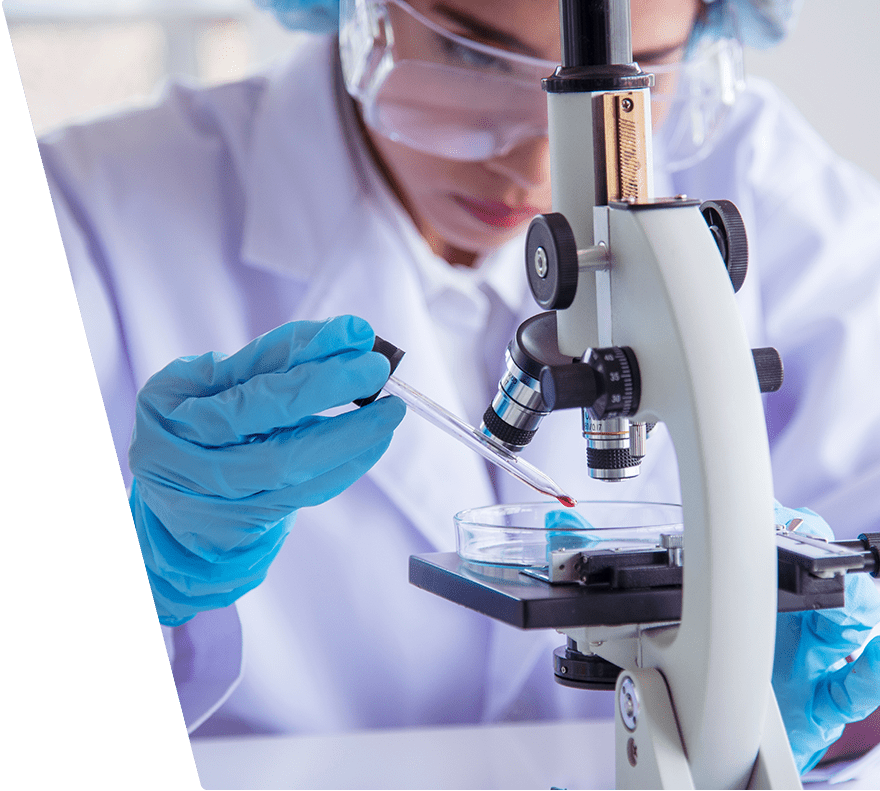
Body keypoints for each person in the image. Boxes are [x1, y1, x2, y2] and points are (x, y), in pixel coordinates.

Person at [39, 0, 880, 778]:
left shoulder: (774, 186)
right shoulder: (85, 217)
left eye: (642, 78)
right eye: (474, 60)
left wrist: (790, 706)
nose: (540, 160)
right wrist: (133, 596)